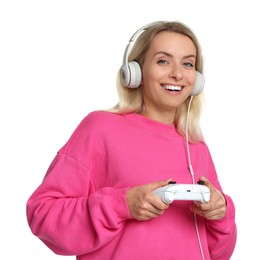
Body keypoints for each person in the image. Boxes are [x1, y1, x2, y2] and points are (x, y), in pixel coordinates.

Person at [26, 21, 237, 260]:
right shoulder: (100, 128)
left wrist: (222, 214)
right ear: (135, 72)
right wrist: (122, 204)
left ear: (196, 79)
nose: (177, 74)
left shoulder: (195, 146)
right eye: (163, 61)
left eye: (187, 63)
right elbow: (42, 215)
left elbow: (218, 253)